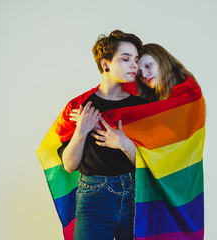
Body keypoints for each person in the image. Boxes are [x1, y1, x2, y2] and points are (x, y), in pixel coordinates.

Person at [70, 43, 206, 239]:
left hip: (175, 184)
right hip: (112, 192)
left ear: (163, 61)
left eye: (148, 66)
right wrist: (85, 124)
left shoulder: (187, 97)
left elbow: (171, 158)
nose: (144, 74)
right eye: (139, 71)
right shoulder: (147, 103)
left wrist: (117, 138)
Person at [45, 30, 148, 240]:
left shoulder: (144, 107)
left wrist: (124, 144)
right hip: (94, 198)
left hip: (135, 197)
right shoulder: (80, 106)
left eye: (136, 60)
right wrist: (81, 131)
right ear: (105, 64)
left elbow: (156, 165)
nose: (134, 65)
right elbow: (69, 165)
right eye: (126, 58)